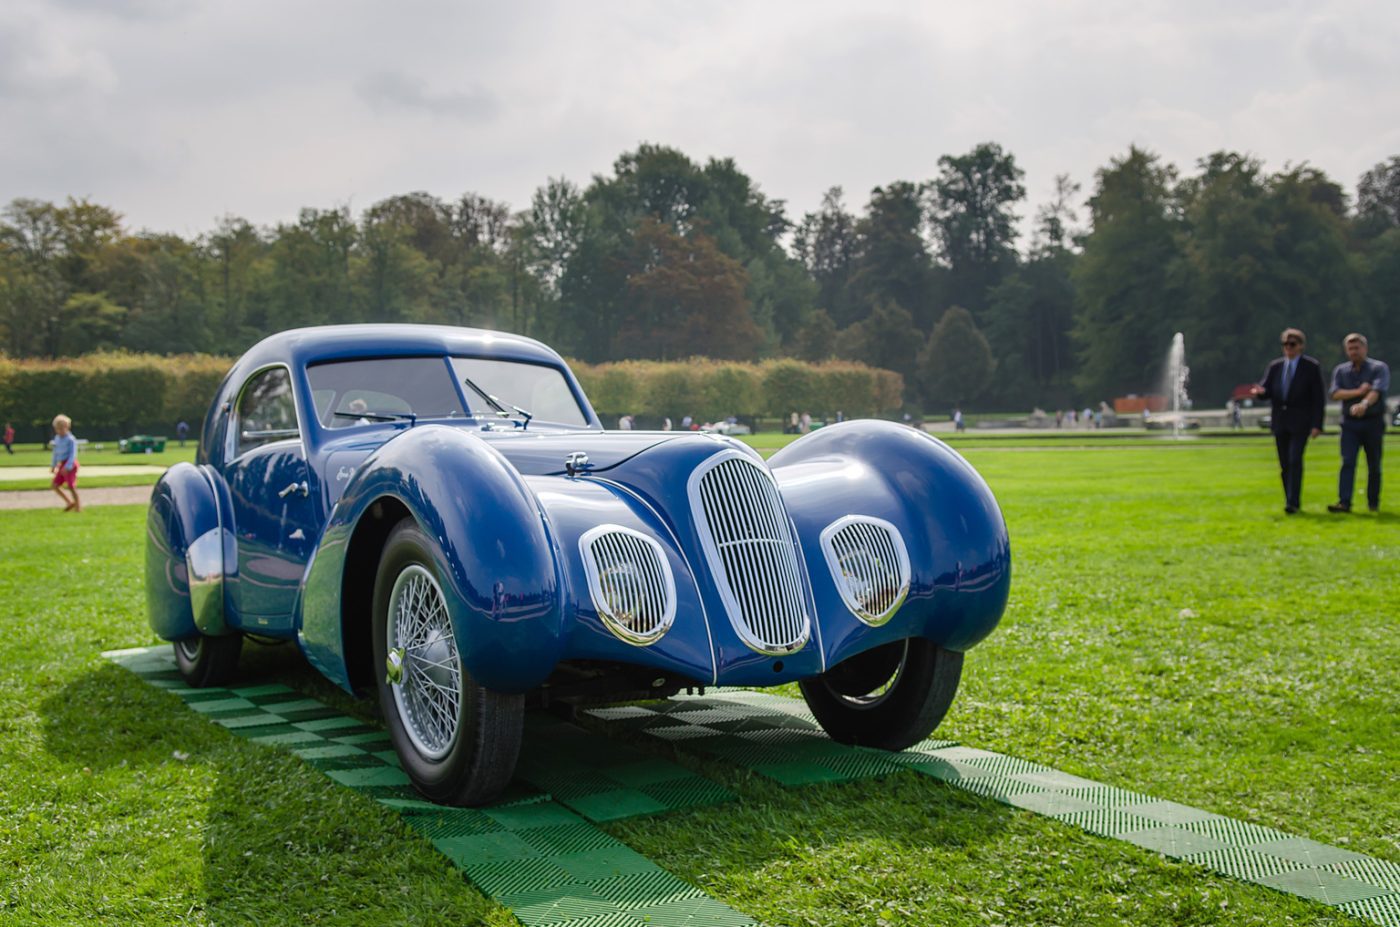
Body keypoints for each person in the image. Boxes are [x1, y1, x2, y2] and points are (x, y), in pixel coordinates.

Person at [1249, 327, 1325, 514]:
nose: (1288, 348)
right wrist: (1259, 393)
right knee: (1284, 464)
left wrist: (1317, 424)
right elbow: (1267, 390)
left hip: (1301, 422)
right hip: (1281, 421)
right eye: (1285, 344)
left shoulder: (1310, 367)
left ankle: (1293, 501)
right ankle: (1289, 498)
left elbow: (1318, 398)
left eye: (1292, 344)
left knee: (1294, 460)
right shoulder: (1275, 367)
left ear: (1300, 346)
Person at [1327, 333, 1388, 513]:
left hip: (1373, 422)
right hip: (1349, 424)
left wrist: (1364, 403)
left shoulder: (1379, 368)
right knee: (1348, 462)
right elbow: (1335, 394)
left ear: (1365, 348)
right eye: (1350, 348)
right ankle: (1344, 502)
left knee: (1374, 464)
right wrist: (1358, 391)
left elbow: (1376, 391)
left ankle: (1373, 502)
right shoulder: (1341, 371)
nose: (1354, 351)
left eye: (1357, 348)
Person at [50, 414, 81, 512]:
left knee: (71, 486)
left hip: (70, 465)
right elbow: (55, 453)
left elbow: (73, 454)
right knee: (55, 485)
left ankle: (78, 507)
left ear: (67, 427)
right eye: (57, 429)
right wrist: (53, 465)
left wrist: (68, 466)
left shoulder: (70, 439)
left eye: (62, 428)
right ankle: (69, 502)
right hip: (61, 464)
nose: (60, 431)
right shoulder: (57, 438)